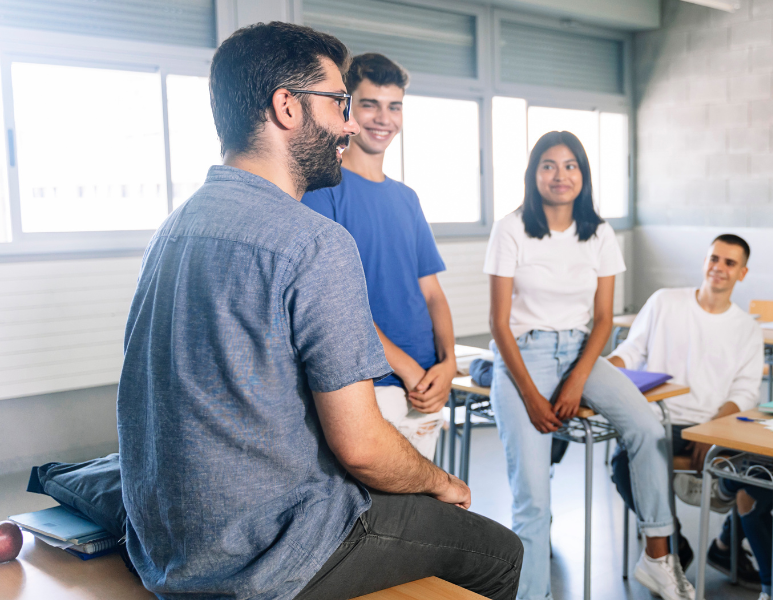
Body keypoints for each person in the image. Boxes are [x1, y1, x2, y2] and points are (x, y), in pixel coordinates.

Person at [117, 22, 521, 600]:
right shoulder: (314, 241)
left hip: (169, 546)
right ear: (286, 107)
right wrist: (439, 481)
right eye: (339, 103)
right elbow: (361, 447)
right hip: (267, 552)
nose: (351, 123)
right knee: (500, 553)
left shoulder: (175, 228)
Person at [485, 131, 693, 600]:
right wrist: (533, 396)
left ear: (584, 174)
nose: (561, 176)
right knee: (533, 502)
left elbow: (603, 320)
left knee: (647, 427)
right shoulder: (511, 227)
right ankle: (533, 595)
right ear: (533, 173)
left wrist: (577, 379)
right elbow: (498, 322)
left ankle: (657, 557)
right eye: (549, 165)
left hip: (582, 352)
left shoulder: (598, 231)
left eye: (571, 165)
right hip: (524, 355)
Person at [301, 53, 455, 459]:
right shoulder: (323, 193)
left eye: (394, 106)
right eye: (370, 104)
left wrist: (448, 362)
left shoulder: (407, 199)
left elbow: (433, 293)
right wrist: (406, 369)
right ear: (346, 107)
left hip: (425, 383)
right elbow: (337, 307)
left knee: (425, 510)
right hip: (371, 384)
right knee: (381, 515)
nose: (383, 118)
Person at [606, 234, 766, 593]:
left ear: (742, 272)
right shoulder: (665, 301)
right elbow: (631, 350)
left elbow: (744, 393)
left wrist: (712, 432)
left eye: (729, 263)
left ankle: (715, 550)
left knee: (753, 472)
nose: (718, 268)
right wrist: (598, 371)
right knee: (622, 465)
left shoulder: (748, 328)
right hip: (656, 420)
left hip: (709, 425)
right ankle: (671, 547)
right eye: (714, 258)